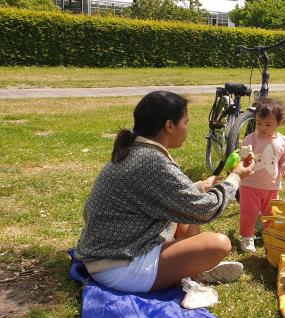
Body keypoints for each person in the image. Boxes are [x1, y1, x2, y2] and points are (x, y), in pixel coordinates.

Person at [74, 90, 255, 293]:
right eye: (185, 123)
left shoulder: (135, 150)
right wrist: (236, 177)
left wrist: (197, 188)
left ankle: (194, 267)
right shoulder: (152, 161)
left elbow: (155, 197)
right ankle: (196, 270)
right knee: (219, 244)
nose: (187, 129)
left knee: (185, 213)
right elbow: (206, 210)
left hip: (109, 252)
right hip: (119, 267)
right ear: (169, 126)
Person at [238, 98, 285, 253]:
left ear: (280, 123)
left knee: (271, 213)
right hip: (250, 184)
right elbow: (242, 156)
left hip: (272, 185)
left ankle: (269, 235)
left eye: (268, 124)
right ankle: (247, 236)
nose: (262, 127)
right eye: (259, 123)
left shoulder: (283, 141)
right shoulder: (251, 139)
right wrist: (245, 157)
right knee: (249, 212)